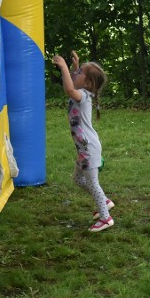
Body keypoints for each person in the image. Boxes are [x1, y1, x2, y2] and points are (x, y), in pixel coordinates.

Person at [52, 51, 115, 232]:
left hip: (89, 148)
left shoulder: (82, 95)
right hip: (83, 148)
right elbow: (74, 82)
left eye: (79, 73)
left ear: (87, 83)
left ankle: (105, 218)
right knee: (78, 180)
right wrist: (74, 67)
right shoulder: (84, 91)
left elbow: (69, 89)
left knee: (93, 183)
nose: (75, 74)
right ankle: (104, 201)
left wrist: (63, 66)